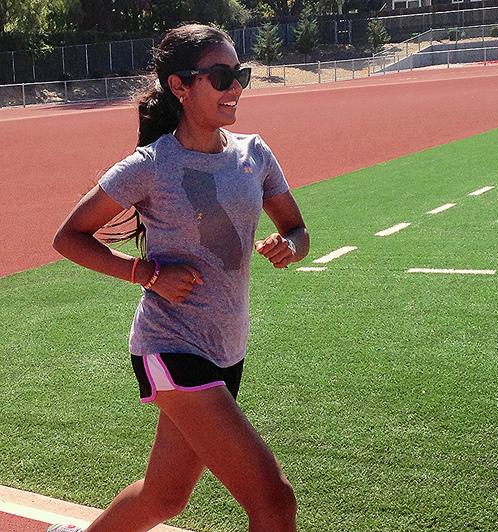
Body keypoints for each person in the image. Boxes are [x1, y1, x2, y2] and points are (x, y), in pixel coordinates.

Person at [49, 22, 309, 532]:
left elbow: (298, 229)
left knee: (163, 498)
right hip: (170, 346)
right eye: (220, 76)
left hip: (227, 348)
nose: (235, 88)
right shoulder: (150, 166)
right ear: (180, 86)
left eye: (240, 75)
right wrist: (146, 273)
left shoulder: (254, 154)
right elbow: (69, 237)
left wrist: (289, 247)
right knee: (273, 501)